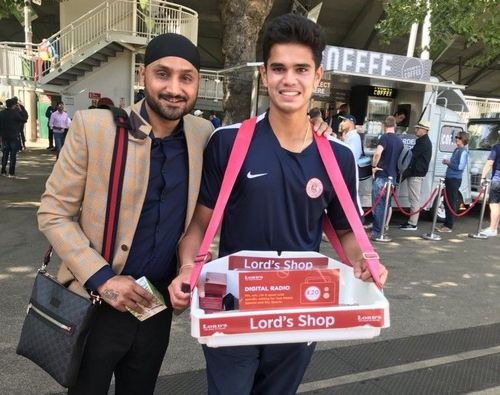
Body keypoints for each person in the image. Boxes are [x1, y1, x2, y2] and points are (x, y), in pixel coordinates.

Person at [169, 14, 388, 395]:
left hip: (300, 305)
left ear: (318, 76)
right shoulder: (228, 143)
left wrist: (363, 260)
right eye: (279, 68)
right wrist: (188, 267)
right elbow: (200, 228)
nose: (289, 80)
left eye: (301, 69)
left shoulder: (338, 157)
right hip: (232, 301)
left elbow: (345, 229)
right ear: (265, 75)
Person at [37, 33, 215, 395]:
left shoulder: (203, 134)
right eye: (162, 74)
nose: (174, 88)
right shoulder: (94, 128)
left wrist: (314, 128)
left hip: (155, 306)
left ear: (197, 83)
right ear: (142, 75)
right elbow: (53, 213)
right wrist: (102, 278)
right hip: (97, 301)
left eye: (186, 78)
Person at [370, 115, 403, 240]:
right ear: (395, 126)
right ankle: (383, 229)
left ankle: (377, 231)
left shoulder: (384, 138)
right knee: (386, 205)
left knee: (378, 205)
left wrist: (374, 165)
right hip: (392, 177)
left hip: (381, 175)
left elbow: (378, 152)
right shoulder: (399, 141)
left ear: (384, 126)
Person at [399, 120, 433, 230]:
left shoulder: (423, 142)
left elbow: (411, 155)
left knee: (414, 199)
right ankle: (411, 222)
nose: (416, 130)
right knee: (413, 198)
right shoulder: (423, 141)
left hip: (416, 173)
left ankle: (413, 223)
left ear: (424, 130)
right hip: (415, 173)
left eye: (418, 128)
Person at [437, 131, 469, 233]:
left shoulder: (463, 151)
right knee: (446, 201)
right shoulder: (456, 150)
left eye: (458, 137)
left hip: (455, 179)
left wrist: (448, 163)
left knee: (450, 202)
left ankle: (449, 225)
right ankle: (446, 223)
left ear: (463, 139)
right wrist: (448, 163)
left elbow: (460, 167)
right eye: (456, 137)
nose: (456, 139)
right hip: (450, 178)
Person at [479, 142, 500, 237]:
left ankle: (492, 229)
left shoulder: (497, 147)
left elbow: (489, 163)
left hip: (497, 180)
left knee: (494, 205)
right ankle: (494, 227)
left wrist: (483, 177)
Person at [0, 99, 25, 178]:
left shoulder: (1, 113)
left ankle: (3, 170)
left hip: (4, 137)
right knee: (13, 155)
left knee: (5, 154)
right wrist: (20, 110)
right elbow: (24, 119)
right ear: (14, 105)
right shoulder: (15, 113)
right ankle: (11, 173)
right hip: (14, 137)